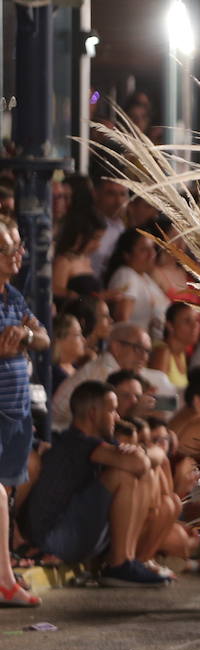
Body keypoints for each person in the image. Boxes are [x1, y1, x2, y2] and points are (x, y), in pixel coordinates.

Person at [17, 381, 168, 586]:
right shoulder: (77, 442)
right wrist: (143, 452)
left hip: (71, 536)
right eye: (112, 411)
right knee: (124, 475)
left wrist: (142, 452)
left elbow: (155, 458)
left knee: (142, 474)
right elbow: (140, 463)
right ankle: (119, 563)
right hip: (52, 540)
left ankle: (127, 559)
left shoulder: (98, 443)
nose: (117, 417)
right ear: (93, 414)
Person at [0, 216, 49, 607]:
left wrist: (27, 336)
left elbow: (43, 336)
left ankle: (6, 569)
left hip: (16, 411)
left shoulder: (13, 298)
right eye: (8, 248)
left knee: (8, 493)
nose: (18, 255)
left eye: (17, 246)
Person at [51, 321, 174, 430]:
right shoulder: (103, 371)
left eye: (147, 351)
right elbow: (105, 422)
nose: (144, 357)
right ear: (116, 347)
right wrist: (136, 411)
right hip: (63, 434)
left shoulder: (121, 372)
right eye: (138, 348)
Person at [104, 228, 170, 335]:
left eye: (152, 248)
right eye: (144, 250)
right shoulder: (126, 275)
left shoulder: (144, 277)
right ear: (127, 254)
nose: (151, 254)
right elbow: (122, 320)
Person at [150, 301, 199, 394]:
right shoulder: (162, 352)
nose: (195, 326)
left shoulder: (181, 354)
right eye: (187, 321)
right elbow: (157, 394)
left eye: (196, 320)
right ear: (170, 326)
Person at [49, 313, 86, 392]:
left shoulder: (76, 367)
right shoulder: (54, 376)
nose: (83, 340)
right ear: (60, 339)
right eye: (78, 335)